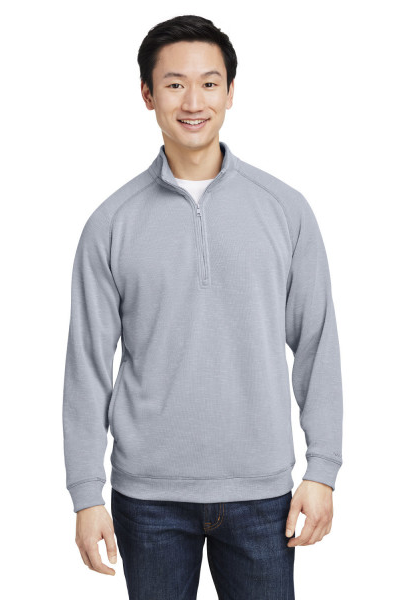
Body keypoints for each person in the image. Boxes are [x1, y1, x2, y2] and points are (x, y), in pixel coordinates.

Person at [62, 14, 343, 599]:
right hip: (148, 500)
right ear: (147, 94)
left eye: (209, 83)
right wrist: (86, 494)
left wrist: (323, 469)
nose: (193, 101)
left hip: (263, 495)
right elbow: (87, 367)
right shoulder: (110, 224)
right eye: (174, 84)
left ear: (231, 92)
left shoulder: (285, 210)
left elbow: (317, 344)